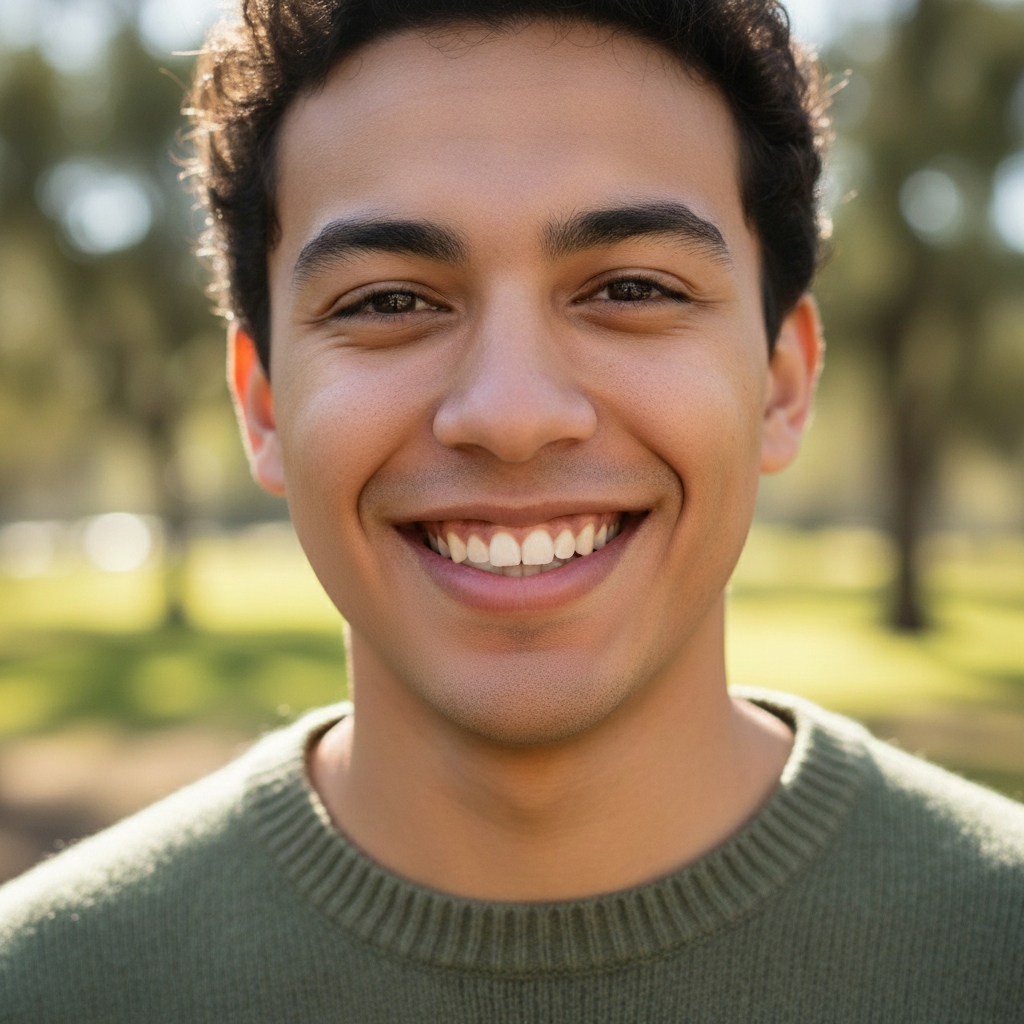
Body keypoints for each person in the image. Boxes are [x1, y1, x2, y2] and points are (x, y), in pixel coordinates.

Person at [1, 0, 1022, 1019]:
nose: (511, 415)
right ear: (264, 406)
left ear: (782, 384)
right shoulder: (46, 986)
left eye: (630, 286)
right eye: (389, 301)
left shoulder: (995, 946)